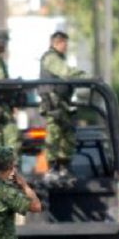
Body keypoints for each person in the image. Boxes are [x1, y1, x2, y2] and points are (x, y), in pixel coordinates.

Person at [39, 30, 86, 183]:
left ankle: (64, 167)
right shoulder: (51, 58)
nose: (66, 47)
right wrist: (85, 77)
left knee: (67, 135)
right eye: (64, 43)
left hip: (62, 104)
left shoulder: (58, 58)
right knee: (54, 135)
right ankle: (52, 168)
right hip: (53, 105)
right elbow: (65, 72)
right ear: (56, 43)